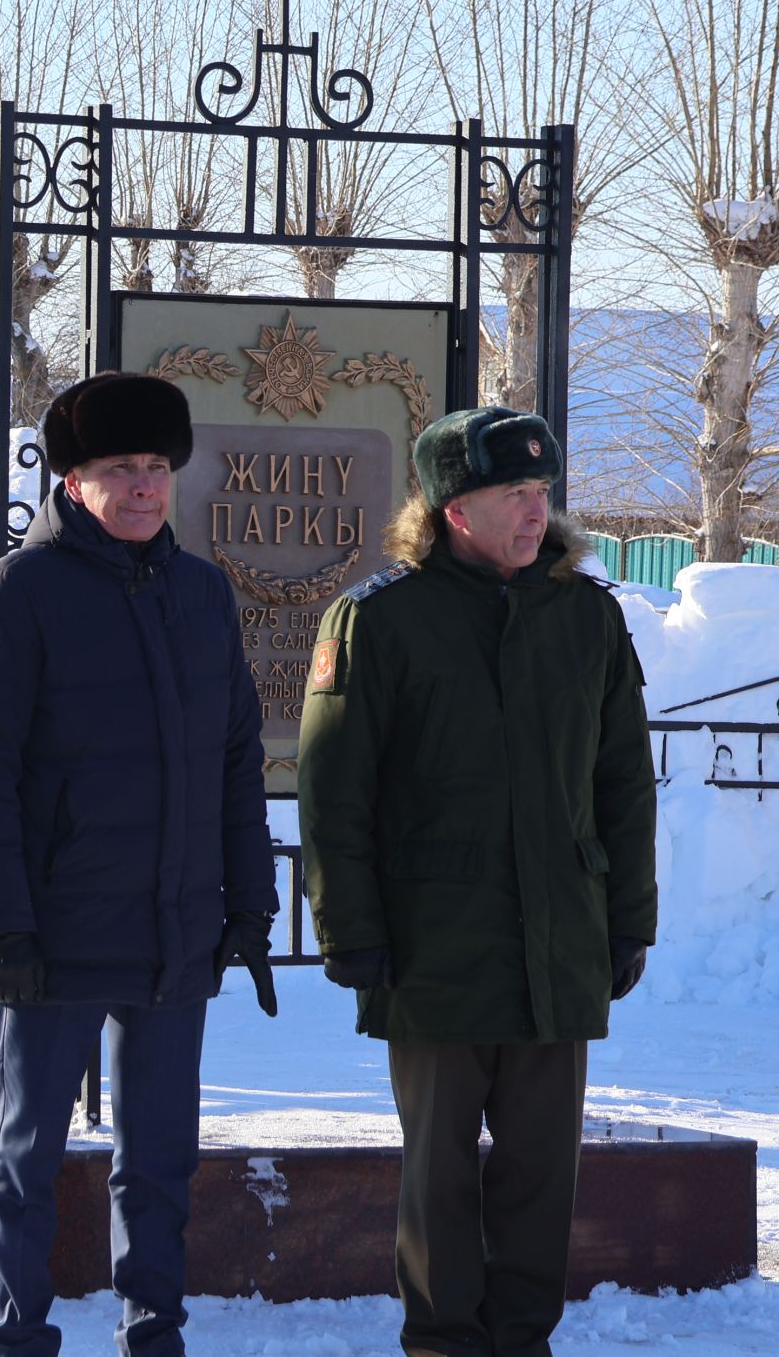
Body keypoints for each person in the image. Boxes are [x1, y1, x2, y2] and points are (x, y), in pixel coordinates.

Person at [297, 405, 657, 1357]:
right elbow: (337, 791)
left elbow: (622, 781)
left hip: (560, 942)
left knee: (543, 1170)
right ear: (455, 507)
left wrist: (630, 920)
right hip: (432, 944)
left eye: (541, 493)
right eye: (513, 496)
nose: (536, 513)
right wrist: (351, 931)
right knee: (441, 1173)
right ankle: (446, 1341)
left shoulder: (587, 615)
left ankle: (523, 1340)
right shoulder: (380, 619)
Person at [0, 372, 279, 1357]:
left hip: (175, 929)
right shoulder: (16, 596)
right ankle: (19, 1333)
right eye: (119, 469)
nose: (143, 486)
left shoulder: (203, 593)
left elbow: (234, 763)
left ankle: (154, 1330)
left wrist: (248, 906)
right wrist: (0, 924)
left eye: (156, 467)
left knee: (161, 1157)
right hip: (53, 932)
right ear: (74, 478)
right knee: (28, 1149)